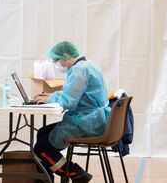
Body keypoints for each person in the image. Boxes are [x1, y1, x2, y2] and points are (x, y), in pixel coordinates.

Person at [32, 41, 110, 183]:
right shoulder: (89, 66)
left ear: (66, 55)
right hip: (94, 119)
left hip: (86, 121)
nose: (56, 64)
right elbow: (73, 93)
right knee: (42, 132)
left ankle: (76, 173)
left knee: (41, 148)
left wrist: (49, 98)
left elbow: (69, 101)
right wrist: (51, 97)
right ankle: (45, 178)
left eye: (57, 60)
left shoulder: (78, 70)